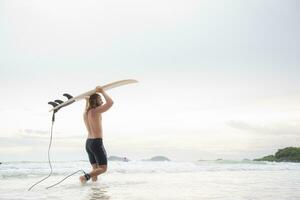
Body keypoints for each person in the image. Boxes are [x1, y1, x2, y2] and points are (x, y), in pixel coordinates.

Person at [79, 86, 114, 183]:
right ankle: (84, 178)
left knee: (95, 170)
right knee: (103, 168)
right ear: (95, 101)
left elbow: (86, 110)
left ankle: (94, 190)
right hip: (96, 143)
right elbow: (110, 103)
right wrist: (102, 91)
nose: (102, 101)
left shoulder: (86, 113)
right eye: (100, 99)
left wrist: (86, 101)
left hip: (88, 143)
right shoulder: (96, 111)